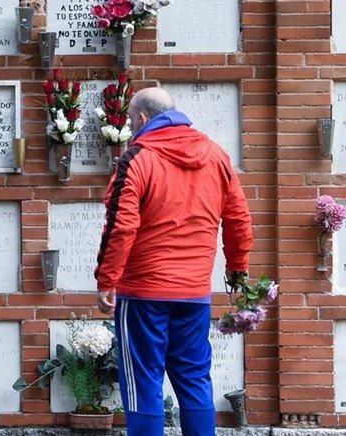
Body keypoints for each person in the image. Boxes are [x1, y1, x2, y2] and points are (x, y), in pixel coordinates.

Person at [94, 87, 253, 436]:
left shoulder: (138, 158)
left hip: (142, 293)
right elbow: (239, 217)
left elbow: (120, 224)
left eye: (134, 123)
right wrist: (236, 268)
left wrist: (107, 279)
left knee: (143, 380)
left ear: (142, 119)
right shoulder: (216, 155)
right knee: (194, 377)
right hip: (194, 292)